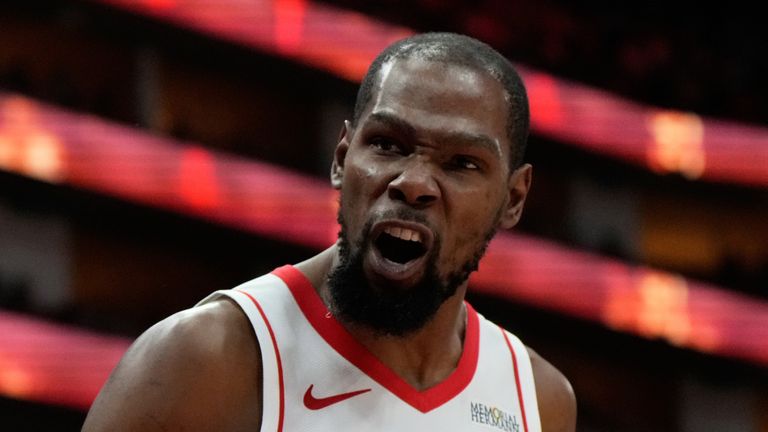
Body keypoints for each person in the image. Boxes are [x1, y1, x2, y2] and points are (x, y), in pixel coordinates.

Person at [82, 32, 576, 431]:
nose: (413, 183)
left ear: (513, 198)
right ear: (342, 158)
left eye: (462, 163)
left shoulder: (538, 400)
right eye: (387, 145)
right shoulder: (209, 360)